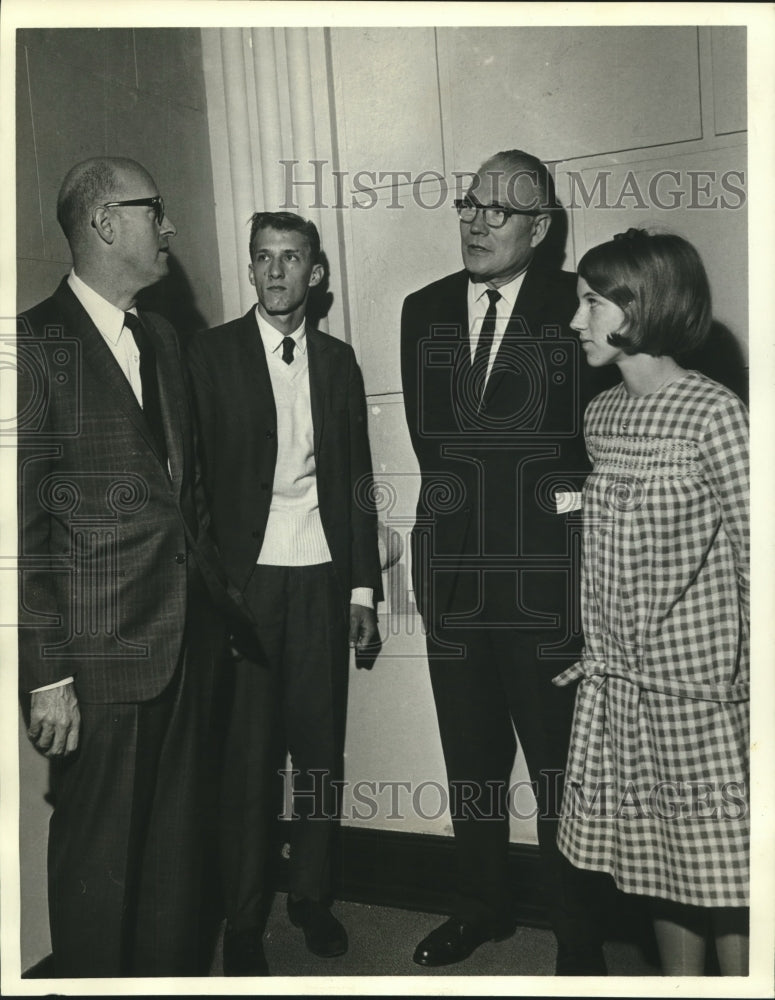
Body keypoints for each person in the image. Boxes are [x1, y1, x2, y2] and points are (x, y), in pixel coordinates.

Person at [17, 157, 245, 976]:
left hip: (187, 647)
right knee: (101, 865)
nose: (171, 229)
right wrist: (47, 674)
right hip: (99, 661)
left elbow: (191, 499)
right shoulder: (33, 346)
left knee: (176, 864)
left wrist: (217, 611)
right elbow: (20, 529)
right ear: (107, 222)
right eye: (157, 211)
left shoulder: (163, 338)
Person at [401, 149, 613, 974]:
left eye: (499, 209)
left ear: (541, 227)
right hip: (453, 578)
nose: (476, 221)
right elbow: (435, 450)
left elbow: (584, 453)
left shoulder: (577, 306)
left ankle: (578, 938)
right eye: (468, 203)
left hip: (546, 586)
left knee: (562, 771)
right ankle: (480, 906)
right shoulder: (422, 310)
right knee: (471, 762)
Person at [186, 211, 383, 976]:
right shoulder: (210, 357)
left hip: (322, 580)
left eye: (290, 258)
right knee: (248, 759)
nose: (275, 272)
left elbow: (357, 482)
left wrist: (362, 589)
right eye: (263, 258)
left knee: (318, 751)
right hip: (246, 586)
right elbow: (193, 485)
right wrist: (216, 589)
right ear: (251, 268)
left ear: (316, 275)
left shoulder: (337, 362)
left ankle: (311, 896)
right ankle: (243, 917)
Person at [554, 228, 749, 976]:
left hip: (703, 694)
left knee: (722, 872)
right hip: (621, 689)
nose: (577, 321)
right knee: (656, 862)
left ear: (643, 307)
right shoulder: (601, 417)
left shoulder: (714, 415)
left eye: (591, 303)